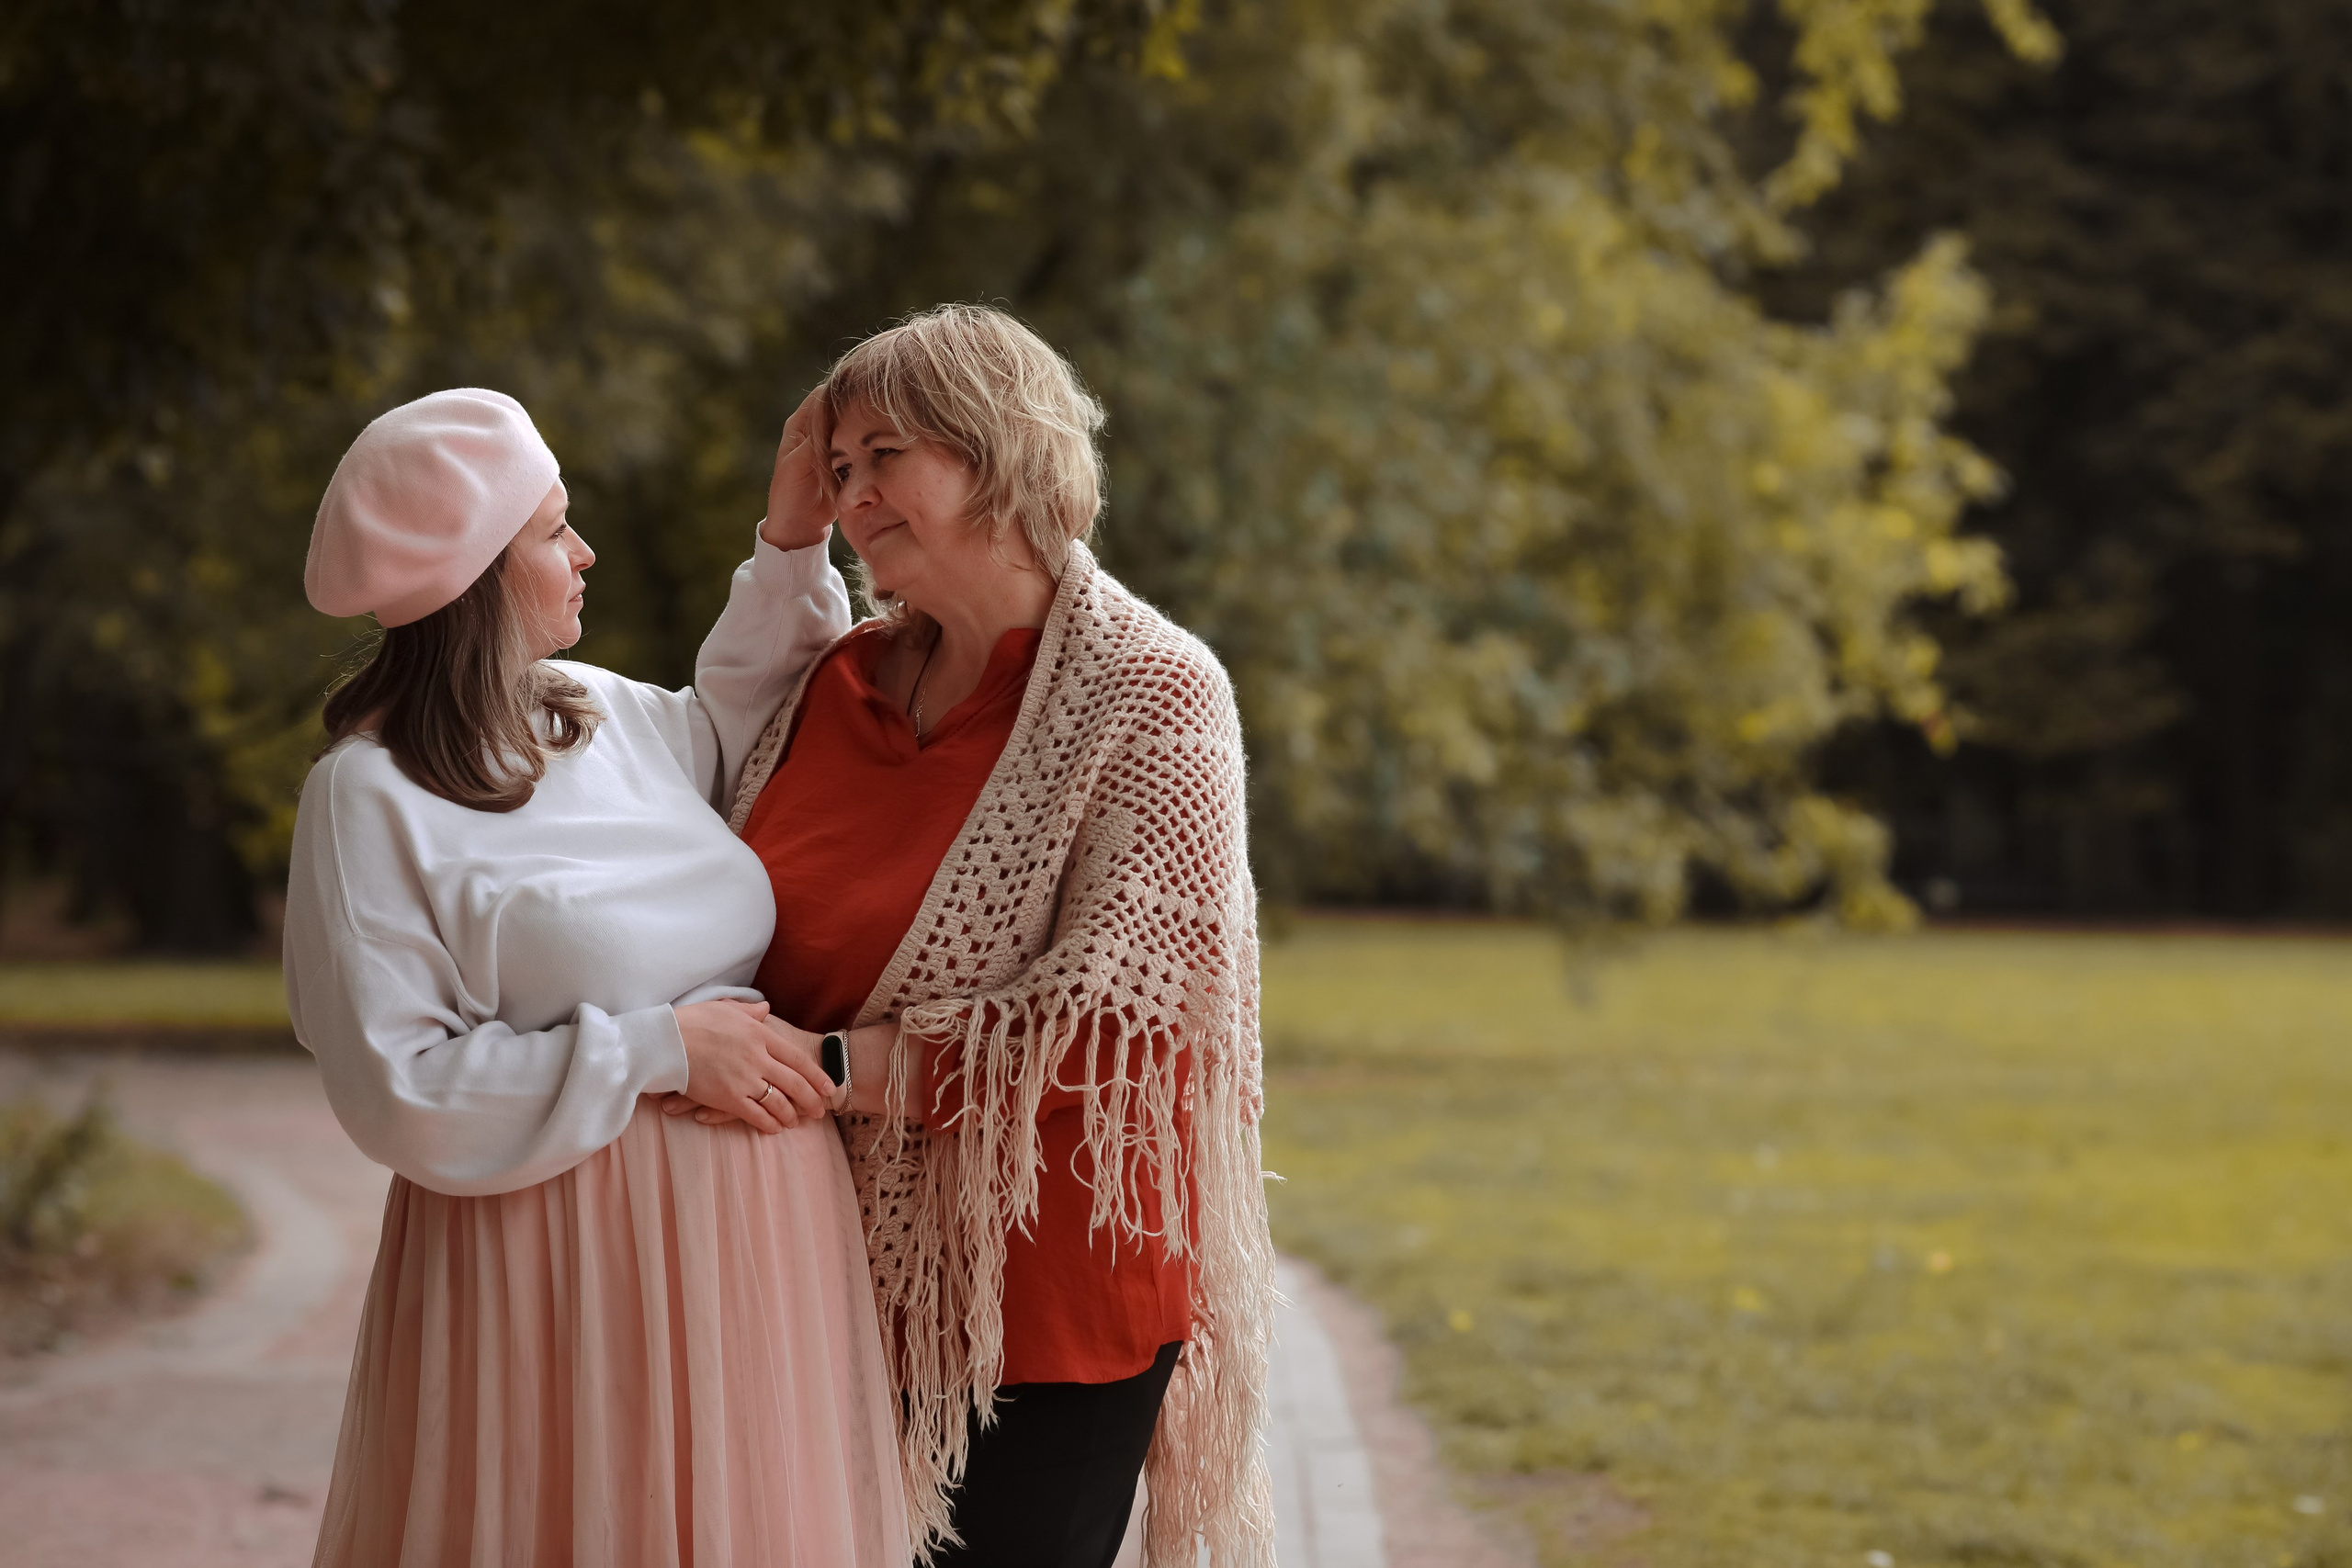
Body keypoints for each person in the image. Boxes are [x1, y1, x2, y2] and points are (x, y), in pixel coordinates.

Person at [672, 305, 1278, 1568]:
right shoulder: (829, 685)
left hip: (1040, 1302)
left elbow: (1115, 1027)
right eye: (838, 467)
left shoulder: (1156, 690)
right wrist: (790, 523)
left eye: (886, 453)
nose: (855, 493)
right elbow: (692, 835)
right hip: (805, 1258)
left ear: (998, 448)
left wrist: (829, 1068)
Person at [284, 387, 910, 1567]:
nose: (583, 552)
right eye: (550, 530)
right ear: (475, 572)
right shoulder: (368, 798)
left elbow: (762, 716)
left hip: (756, 1249)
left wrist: (790, 542)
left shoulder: (605, 715)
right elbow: (396, 1087)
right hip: (551, 1272)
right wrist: (665, 1049)